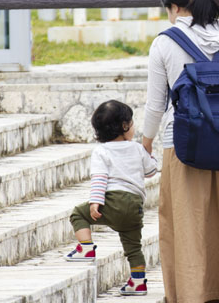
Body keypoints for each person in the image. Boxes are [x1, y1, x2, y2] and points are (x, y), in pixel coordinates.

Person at [142, 0, 219, 302]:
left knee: (187, 228)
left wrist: (146, 142)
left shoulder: (165, 43)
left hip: (182, 146)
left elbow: (155, 105)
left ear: (176, 8)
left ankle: (191, 295)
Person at [66, 100, 157, 296]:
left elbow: (100, 178)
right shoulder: (137, 148)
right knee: (133, 247)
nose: (133, 126)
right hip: (134, 207)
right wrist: (150, 154)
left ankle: (86, 248)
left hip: (111, 201)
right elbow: (151, 171)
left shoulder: (101, 151)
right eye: (131, 123)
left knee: (77, 214)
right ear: (124, 126)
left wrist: (95, 202)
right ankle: (138, 282)